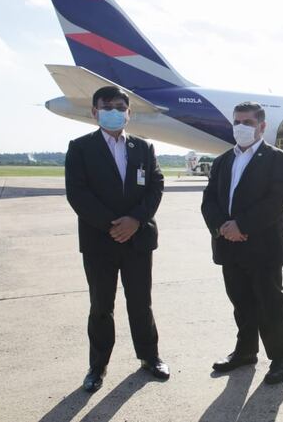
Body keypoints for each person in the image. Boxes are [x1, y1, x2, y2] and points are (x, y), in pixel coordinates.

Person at [64, 86, 169, 393]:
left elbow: (156, 185)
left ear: (128, 112)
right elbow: (78, 193)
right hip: (100, 241)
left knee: (141, 303)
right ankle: (97, 366)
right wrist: (114, 225)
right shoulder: (80, 147)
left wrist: (135, 220)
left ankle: (150, 357)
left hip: (138, 239)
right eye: (107, 106)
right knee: (101, 306)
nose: (115, 110)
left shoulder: (143, 148)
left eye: (120, 106)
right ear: (95, 112)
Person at [201, 102, 283, 385]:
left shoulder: (279, 159)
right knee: (241, 302)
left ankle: (281, 359)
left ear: (262, 126)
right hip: (229, 245)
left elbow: (276, 202)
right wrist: (222, 227)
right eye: (237, 122)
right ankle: (245, 352)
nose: (241, 127)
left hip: (263, 245)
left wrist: (241, 225)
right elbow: (209, 201)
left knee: (270, 304)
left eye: (248, 122)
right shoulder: (222, 161)